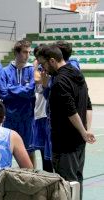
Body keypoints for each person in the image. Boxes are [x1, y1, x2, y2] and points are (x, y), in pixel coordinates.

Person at [36, 45, 96, 200]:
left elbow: (70, 111)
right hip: (78, 142)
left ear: (52, 61)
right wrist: (86, 130)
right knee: (77, 180)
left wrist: (83, 131)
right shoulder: (77, 74)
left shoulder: (59, 82)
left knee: (66, 184)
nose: (44, 70)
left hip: (65, 144)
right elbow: (88, 105)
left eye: (44, 65)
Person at [0, 39, 36, 166]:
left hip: (27, 117)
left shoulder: (31, 70)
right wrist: (22, 92)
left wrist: (11, 88)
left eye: (29, 52)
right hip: (10, 117)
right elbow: (3, 94)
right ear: (17, 52)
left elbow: (30, 92)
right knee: (7, 150)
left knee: (29, 151)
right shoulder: (4, 71)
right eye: (25, 52)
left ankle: (32, 179)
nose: (28, 55)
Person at [32, 45, 53, 172]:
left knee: (50, 153)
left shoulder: (48, 69)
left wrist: (34, 67)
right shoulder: (37, 68)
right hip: (38, 114)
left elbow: (36, 78)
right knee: (42, 151)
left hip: (48, 115)